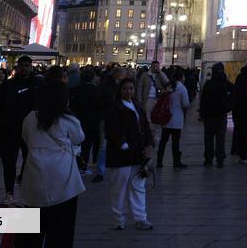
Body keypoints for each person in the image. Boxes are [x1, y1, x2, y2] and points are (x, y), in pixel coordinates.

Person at [18, 80, 85, 247]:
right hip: (64, 183)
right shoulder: (68, 120)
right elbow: (79, 139)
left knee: (32, 234)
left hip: (34, 180)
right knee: (61, 233)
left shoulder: (30, 118)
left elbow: (26, 139)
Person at [0, 55, 41, 205]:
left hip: (30, 131)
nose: (24, 68)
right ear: (17, 67)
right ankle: (9, 192)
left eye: (27, 65)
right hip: (9, 129)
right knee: (9, 163)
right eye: (22, 65)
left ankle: (24, 186)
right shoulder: (7, 86)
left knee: (30, 161)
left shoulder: (37, 85)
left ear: (31, 67)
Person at [106, 77, 154, 230]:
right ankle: (119, 219)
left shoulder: (138, 106)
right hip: (122, 154)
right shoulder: (115, 107)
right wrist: (122, 143)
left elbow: (145, 126)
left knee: (138, 187)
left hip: (137, 154)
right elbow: (111, 129)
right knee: (119, 188)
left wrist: (148, 143)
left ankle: (140, 217)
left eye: (131, 89)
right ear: (120, 90)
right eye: (125, 88)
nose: (128, 92)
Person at [199, 62, 233, 167]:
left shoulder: (209, 84)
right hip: (221, 114)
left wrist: (202, 114)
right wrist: (228, 107)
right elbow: (233, 94)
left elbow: (203, 100)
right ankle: (220, 159)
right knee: (220, 139)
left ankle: (208, 159)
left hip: (209, 115)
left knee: (209, 138)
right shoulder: (225, 84)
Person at [70, 68, 103, 175]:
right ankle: (83, 166)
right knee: (87, 145)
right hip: (91, 121)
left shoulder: (75, 89)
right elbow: (99, 106)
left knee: (76, 144)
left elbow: (72, 105)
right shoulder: (96, 90)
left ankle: (76, 164)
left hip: (77, 119)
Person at [156, 70, 190, 168]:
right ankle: (176, 162)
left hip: (166, 118)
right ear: (181, 77)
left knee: (163, 141)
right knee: (175, 141)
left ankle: (159, 161)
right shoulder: (182, 88)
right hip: (177, 119)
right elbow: (186, 104)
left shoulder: (168, 86)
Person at [136, 60, 169, 146]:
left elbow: (166, 82)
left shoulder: (160, 75)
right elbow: (140, 86)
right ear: (151, 66)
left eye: (157, 66)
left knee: (158, 117)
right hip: (148, 99)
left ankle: (155, 136)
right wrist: (139, 98)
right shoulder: (145, 75)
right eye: (154, 66)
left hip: (158, 100)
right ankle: (150, 136)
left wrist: (160, 73)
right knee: (149, 118)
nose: (155, 68)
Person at [232, 63, 247, 162]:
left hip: (240, 114)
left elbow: (234, 98)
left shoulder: (239, 82)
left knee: (241, 137)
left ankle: (243, 157)